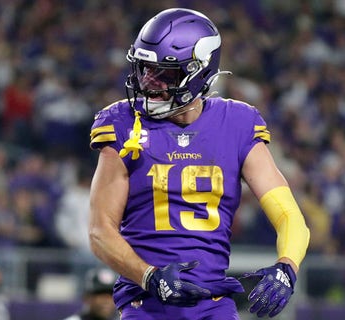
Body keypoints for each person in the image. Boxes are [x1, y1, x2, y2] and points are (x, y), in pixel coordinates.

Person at [88, 8, 310, 320]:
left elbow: (290, 216)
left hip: (214, 305)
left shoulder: (237, 123)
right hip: (145, 306)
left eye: (163, 74)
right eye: (144, 70)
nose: (149, 83)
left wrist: (287, 267)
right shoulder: (123, 123)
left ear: (200, 72)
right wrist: (149, 276)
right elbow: (100, 231)